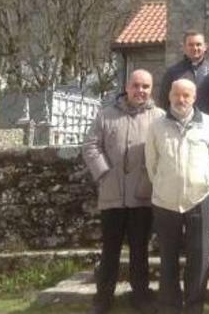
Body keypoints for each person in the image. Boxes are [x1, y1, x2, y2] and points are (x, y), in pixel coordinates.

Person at [82, 69, 164, 314]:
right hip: (113, 195)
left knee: (140, 251)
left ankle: (141, 297)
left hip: (142, 196)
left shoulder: (159, 117)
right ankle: (103, 299)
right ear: (127, 87)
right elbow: (90, 146)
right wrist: (104, 174)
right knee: (110, 251)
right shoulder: (106, 115)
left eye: (146, 86)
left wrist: (153, 180)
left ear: (151, 89)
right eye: (136, 85)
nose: (141, 91)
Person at [145, 79, 209, 314]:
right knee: (168, 255)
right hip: (165, 200)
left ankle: (194, 305)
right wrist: (165, 183)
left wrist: (205, 183)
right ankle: (170, 305)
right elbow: (151, 163)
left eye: (187, 95)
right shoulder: (157, 126)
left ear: (194, 98)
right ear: (169, 96)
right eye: (177, 95)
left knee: (199, 257)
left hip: (200, 198)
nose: (181, 100)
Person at [158, 30, 209, 116]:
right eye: (191, 45)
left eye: (198, 44)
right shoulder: (172, 73)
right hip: (179, 124)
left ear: (205, 47)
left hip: (207, 124)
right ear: (184, 47)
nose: (195, 48)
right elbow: (163, 101)